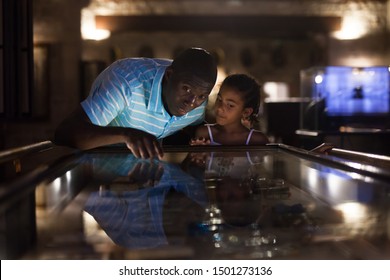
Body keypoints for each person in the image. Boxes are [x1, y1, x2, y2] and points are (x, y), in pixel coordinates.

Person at [54, 47, 218, 159]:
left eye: (202, 96)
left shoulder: (199, 100)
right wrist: (127, 135)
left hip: (149, 186)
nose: (191, 102)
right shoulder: (127, 82)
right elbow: (66, 132)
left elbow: (197, 130)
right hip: (99, 188)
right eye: (186, 89)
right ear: (169, 75)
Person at [190, 73, 269, 146]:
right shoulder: (205, 133)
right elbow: (191, 161)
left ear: (246, 112)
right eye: (219, 99)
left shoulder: (256, 140)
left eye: (230, 105)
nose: (220, 108)